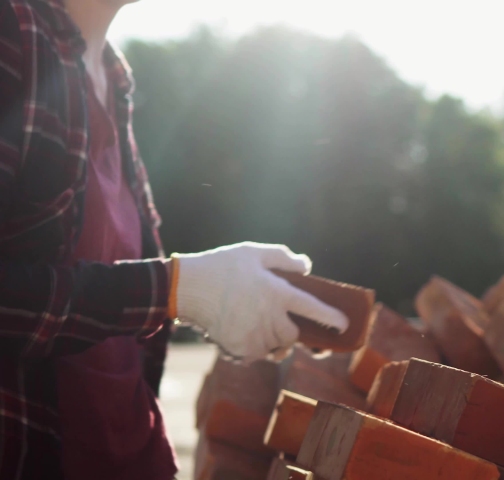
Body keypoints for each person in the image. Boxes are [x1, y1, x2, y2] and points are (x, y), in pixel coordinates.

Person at [0, 0, 348, 478]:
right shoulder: (13, 35)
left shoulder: (112, 75)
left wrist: (214, 305)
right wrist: (175, 290)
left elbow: (110, 307)